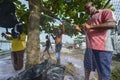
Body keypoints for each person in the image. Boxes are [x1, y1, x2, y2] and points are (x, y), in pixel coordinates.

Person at [73, 2, 116, 80]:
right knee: (87, 68)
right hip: (89, 49)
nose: (86, 11)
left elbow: (112, 24)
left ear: (93, 5)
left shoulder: (105, 12)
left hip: (102, 49)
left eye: (87, 8)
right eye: (85, 10)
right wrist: (79, 30)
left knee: (103, 74)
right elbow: (87, 32)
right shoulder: (89, 20)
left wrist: (90, 26)